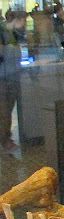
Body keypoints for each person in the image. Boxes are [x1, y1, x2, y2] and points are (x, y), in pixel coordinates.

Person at [0, 10, 27, 154]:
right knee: (4, 111)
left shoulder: (12, 34)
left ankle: (6, 139)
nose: (24, 25)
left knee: (7, 111)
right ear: (16, 20)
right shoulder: (3, 33)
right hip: (3, 78)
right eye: (23, 22)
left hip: (12, 76)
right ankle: (6, 141)